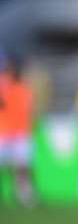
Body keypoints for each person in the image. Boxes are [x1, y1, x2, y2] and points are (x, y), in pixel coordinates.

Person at [0, 57, 35, 205]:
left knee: (23, 166)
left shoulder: (24, 89)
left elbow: (29, 110)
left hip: (20, 133)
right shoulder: (4, 84)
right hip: (4, 132)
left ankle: (25, 195)